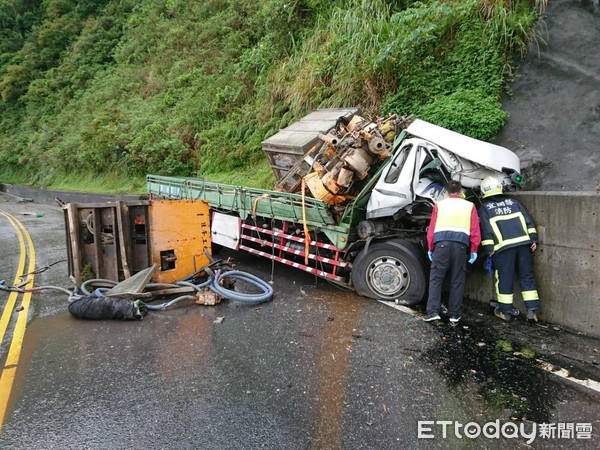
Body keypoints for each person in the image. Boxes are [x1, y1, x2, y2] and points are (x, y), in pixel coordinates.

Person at [478, 176, 541, 323]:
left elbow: (486, 230)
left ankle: (506, 312)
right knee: (527, 276)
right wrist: (533, 239)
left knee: (505, 279)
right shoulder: (513, 202)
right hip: (524, 245)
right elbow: (528, 220)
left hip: (503, 249)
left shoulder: (485, 208)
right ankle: (532, 311)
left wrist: (489, 249)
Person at [423, 180, 481, 326]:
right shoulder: (470, 206)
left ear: (447, 192)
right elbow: (475, 230)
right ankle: (454, 315)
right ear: (461, 192)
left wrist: (431, 248)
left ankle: (433, 313)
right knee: (457, 280)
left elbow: (431, 230)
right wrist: (474, 250)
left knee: (436, 279)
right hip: (461, 247)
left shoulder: (440, 205)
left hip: (441, 245)